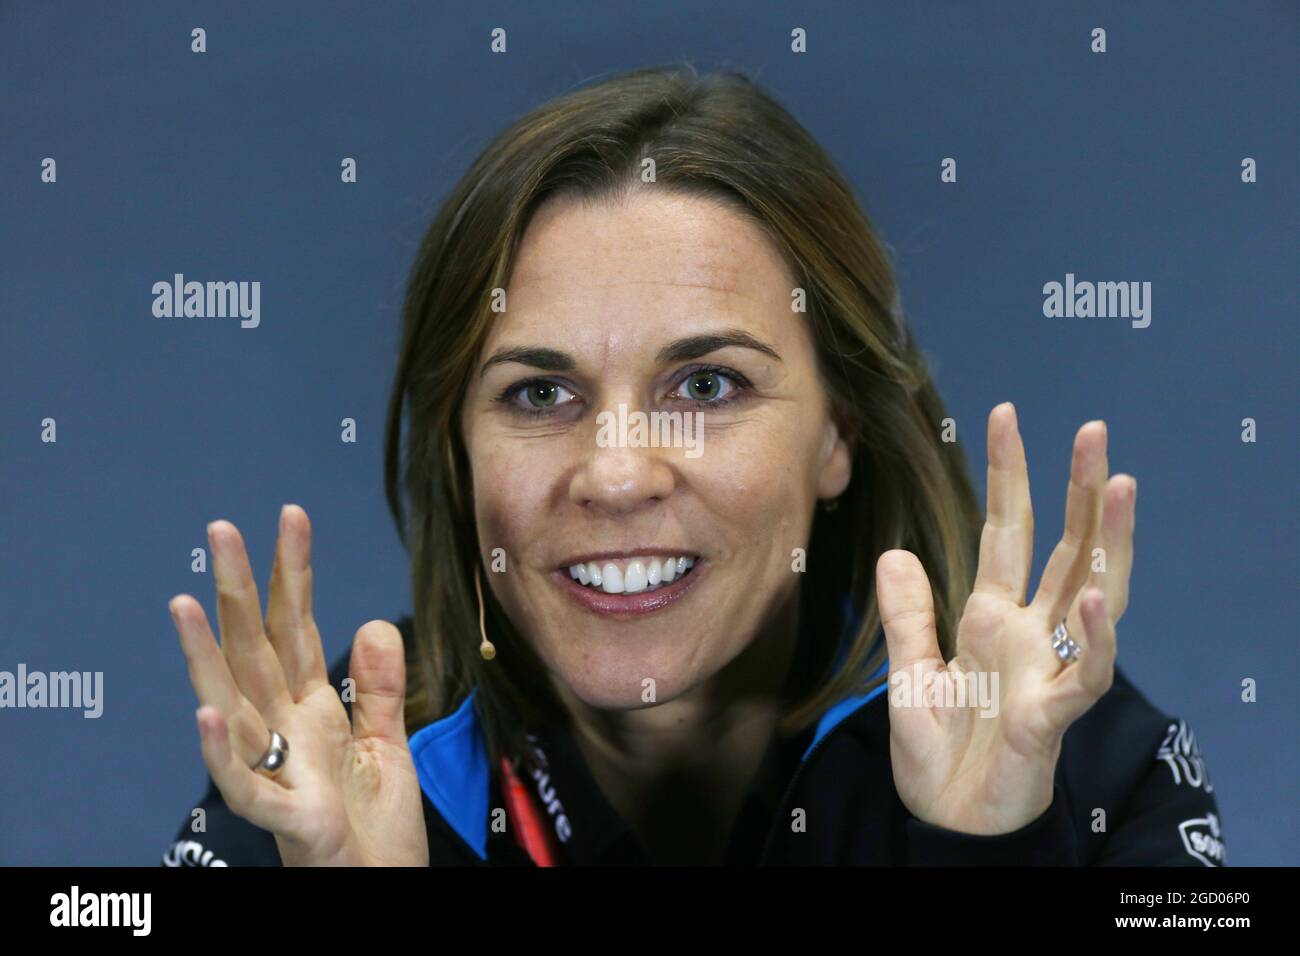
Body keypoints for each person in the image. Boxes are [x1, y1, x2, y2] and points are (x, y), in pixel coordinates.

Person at [162, 65, 1223, 867]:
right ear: (458, 449)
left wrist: (989, 849)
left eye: (706, 386)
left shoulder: (1077, 751)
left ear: (839, 433)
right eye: (540, 393)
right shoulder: (319, 771)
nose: (617, 475)